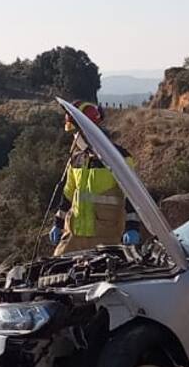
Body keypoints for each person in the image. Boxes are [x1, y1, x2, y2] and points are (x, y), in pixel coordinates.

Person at [51, 101, 142, 255]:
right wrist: (58, 224)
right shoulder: (76, 159)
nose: (75, 137)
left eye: (76, 132)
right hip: (75, 236)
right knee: (56, 265)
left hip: (106, 238)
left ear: (89, 130)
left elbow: (132, 195)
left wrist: (132, 227)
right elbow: (68, 193)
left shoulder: (118, 158)